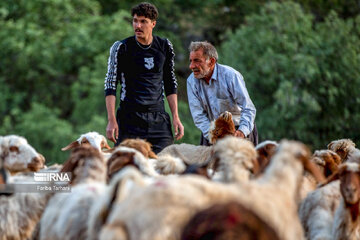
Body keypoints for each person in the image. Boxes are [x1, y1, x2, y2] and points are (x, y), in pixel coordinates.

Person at [104, 2, 184, 153]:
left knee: (166, 165)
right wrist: (111, 120)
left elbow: (170, 82)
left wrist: (176, 117)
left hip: (159, 119)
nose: (138, 25)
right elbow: (110, 85)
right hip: (130, 119)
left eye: (143, 21)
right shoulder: (121, 47)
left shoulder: (165, 45)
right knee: (125, 165)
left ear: (153, 24)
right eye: (135, 20)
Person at [187, 41, 258, 146]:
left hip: (239, 129)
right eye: (191, 61)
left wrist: (242, 132)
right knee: (207, 162)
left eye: (197, 61)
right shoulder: (191, 81)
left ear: (211, 61)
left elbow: (248, 108)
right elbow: (198, 116)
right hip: (211, 132)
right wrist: (213, 136)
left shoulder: (230, 76)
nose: (191, 66)